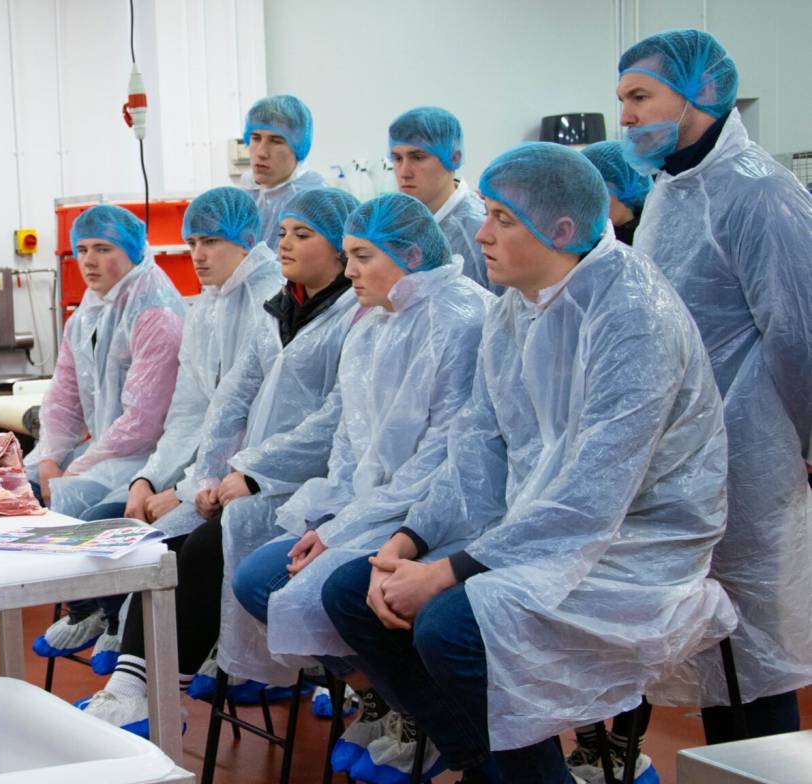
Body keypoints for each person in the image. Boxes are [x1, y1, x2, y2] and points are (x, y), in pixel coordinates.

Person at [315, 142, 737, 784]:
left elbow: (593, 497)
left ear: (560, 230)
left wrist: (443, 574)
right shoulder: (516, 306)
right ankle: (483, 764)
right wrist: (409, 540)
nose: (480, 234)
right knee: (350, 591)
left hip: (637, 541)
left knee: (451, 624)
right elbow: (476, 450)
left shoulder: (632, 316)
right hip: (538, 523)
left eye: (502, 219)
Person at [79, 188, 361, 735]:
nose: (286, 244)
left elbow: (333, 422)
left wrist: (250, 474)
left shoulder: (352, 315)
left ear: (340, 250)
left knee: (209, 546)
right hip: (249, 475)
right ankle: (134, 687)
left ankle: (155, 692)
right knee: (165, 540)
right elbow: (227, 400)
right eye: (284, 233)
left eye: (302, 236)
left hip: (311, 483)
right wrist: (204, 480)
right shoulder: (279, 306)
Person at [231, 192, 492, 781]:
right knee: (260, 582)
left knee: (327, 591)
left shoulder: (461, 319)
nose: (349, 272)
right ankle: (385, 700)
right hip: (371, 507)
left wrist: (349, 528)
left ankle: (432, 723)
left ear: (410, 253)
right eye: (347, 255)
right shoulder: (373, 322)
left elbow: (447, 457)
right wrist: (332, 518)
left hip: (438, 515)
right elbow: (350, 438)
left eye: (362, 256)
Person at [616, 28, 812, 742]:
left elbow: (800, 333)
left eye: (640, 96)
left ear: (702, 92)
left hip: (749, 449)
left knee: (751, 647)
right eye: (623, 100)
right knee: (713, 645)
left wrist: (807, 441)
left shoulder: (760, 192)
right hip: (683, 452)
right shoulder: (671, 189)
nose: (626, 116)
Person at [32, 188, 280, 671]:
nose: (198, 255)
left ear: (247, 240)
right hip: (178, 466)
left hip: (231, 477)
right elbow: (189, 413)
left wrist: (184, 489)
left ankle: (132, 651)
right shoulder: (202, 307)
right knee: (55, 498)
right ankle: (112, 624)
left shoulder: (257, 307)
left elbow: (240, 421)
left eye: (210, 240)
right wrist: (144, 477)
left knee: (111, 523)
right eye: (192, 243)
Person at [567, 136, 658, 783]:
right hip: (590, 462)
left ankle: (621, 745)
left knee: (623, 614)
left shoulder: (640, 268)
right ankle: (590, 743)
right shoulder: (579, 270)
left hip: (642, 475)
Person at [24, 205, 186, 521]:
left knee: (74, 510)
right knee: (19, 489)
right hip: (105, 453)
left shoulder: (157, 315)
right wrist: (49, 458)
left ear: (134, 252)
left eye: (103, 249)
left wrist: (76, 469)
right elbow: (63, 400)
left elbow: (144, 421)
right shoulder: (88, 314)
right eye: (82, 250)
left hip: (146, 459)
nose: (88, 260)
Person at [387, 106, 497, 294]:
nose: (404, 172)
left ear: (454, 158)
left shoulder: (477, 231)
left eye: (418, 157)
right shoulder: (397, 222)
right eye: (397, 158)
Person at [240, 95, 327, 249]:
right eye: (256, 138)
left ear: (298, 147)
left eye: (276, 141)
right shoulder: (248, 191)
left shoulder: (313, 200)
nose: (261, 152)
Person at [580, 140, 653, 245]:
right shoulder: (583, 245)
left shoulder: (650, 245)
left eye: (596, 190)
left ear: (627, 187)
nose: (584, 201)